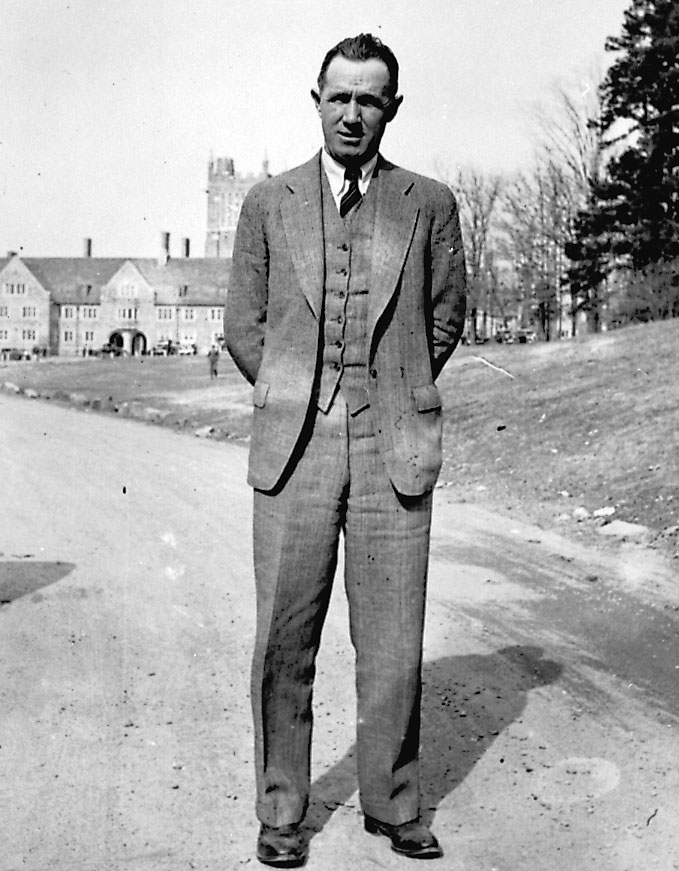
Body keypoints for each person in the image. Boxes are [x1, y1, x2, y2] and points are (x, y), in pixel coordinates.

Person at [226, 33, 466, 867]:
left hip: (392, 447)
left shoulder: (428, 203)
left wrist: (390, 389)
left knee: (393, 637)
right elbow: (243, 327)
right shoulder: (269, 200)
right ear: (316, 101)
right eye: (340, 97)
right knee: (283, 639)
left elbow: (444, 319)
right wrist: (298, 394)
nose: (353, 112)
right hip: (293, 451)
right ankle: (281, 809)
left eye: (370, 98)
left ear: (391, 107)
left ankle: (394, 803)